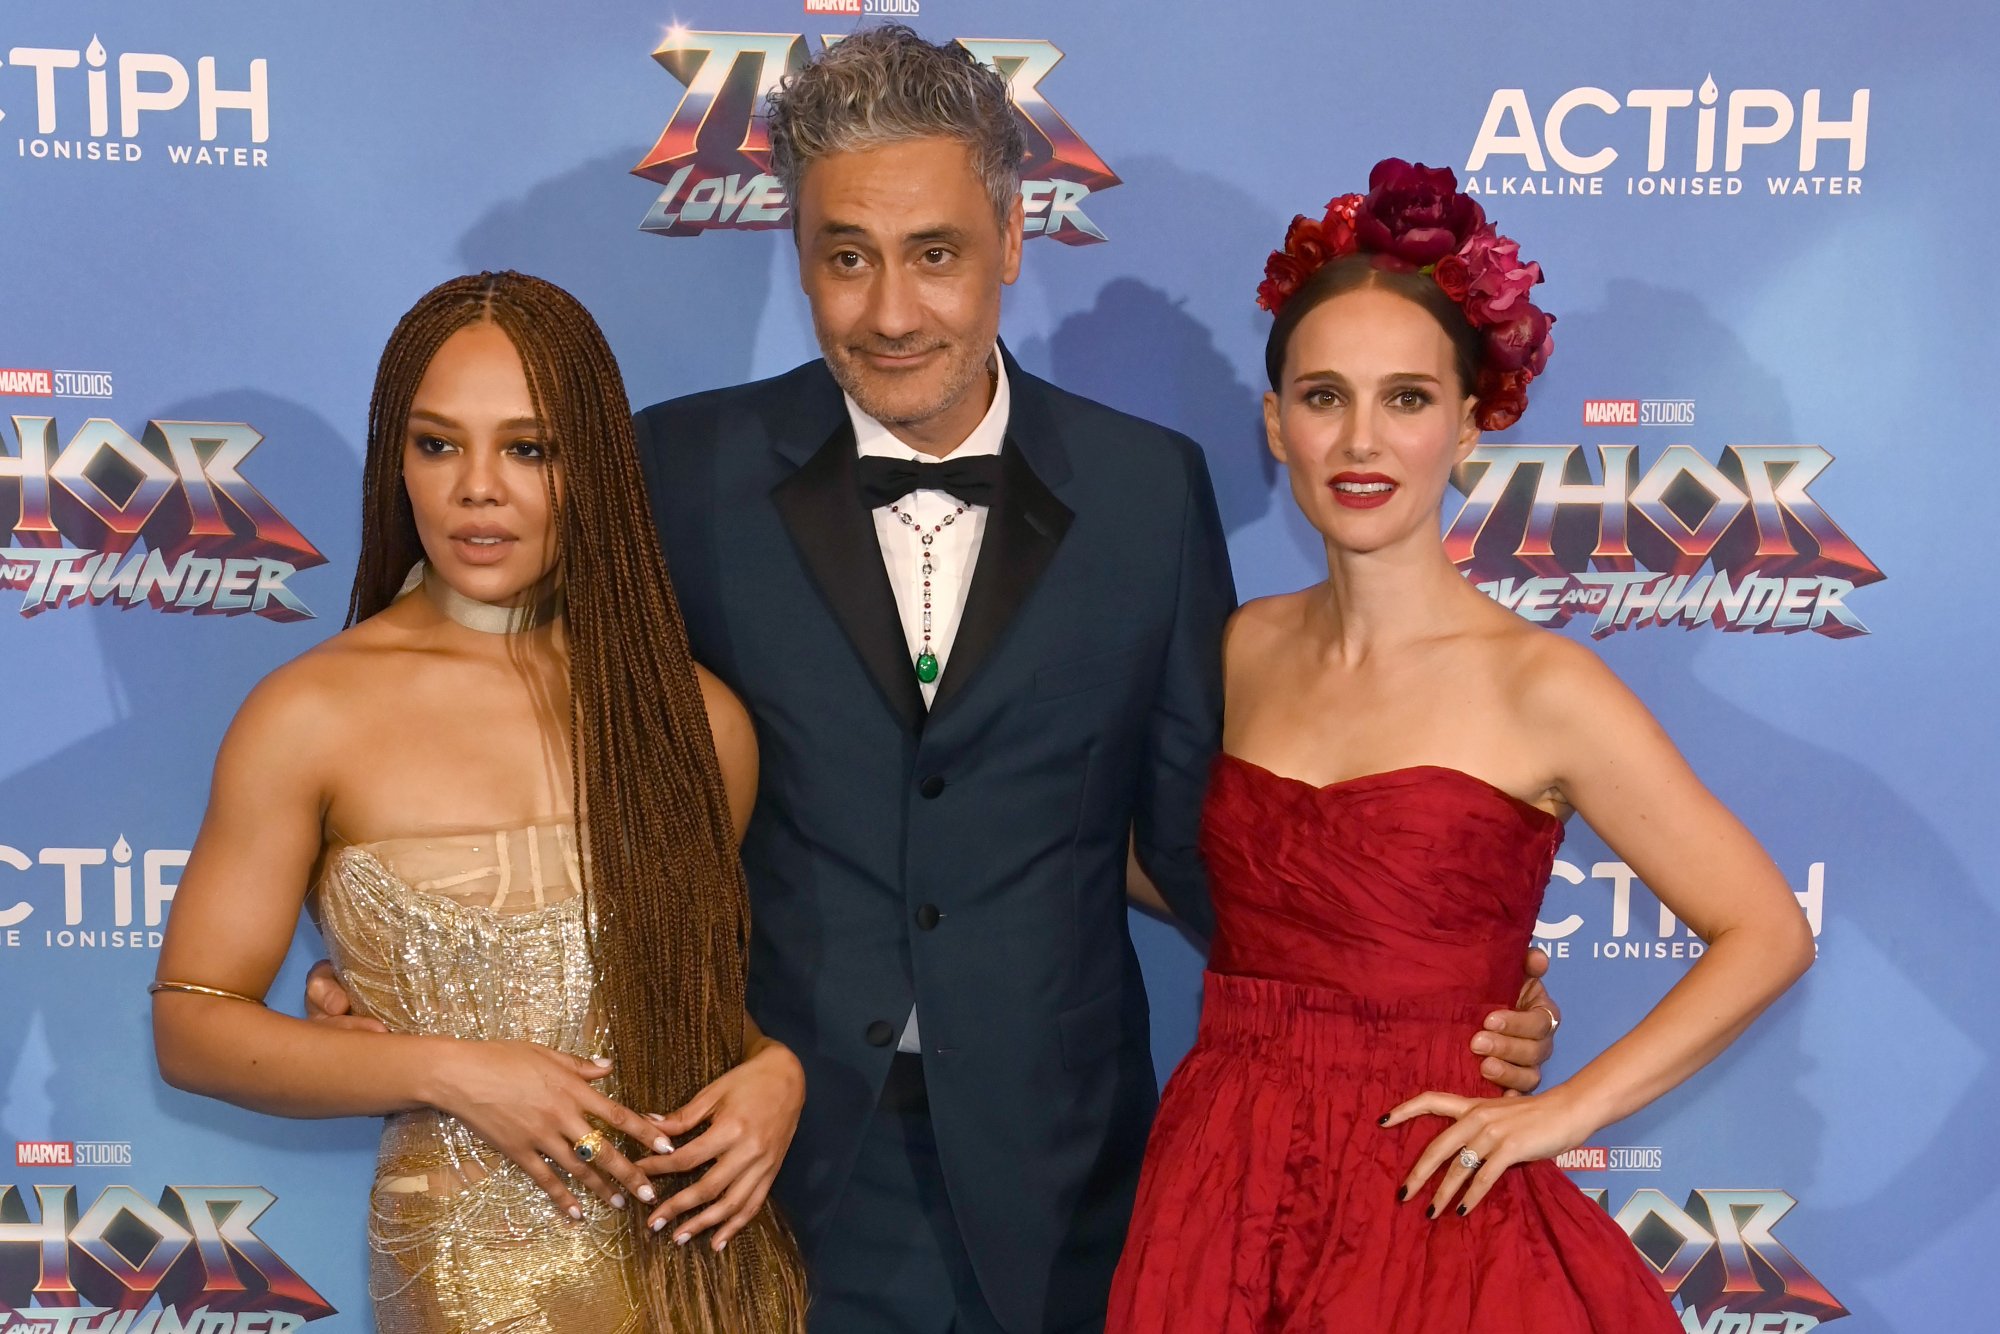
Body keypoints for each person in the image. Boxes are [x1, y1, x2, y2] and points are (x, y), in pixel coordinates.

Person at [311, 30, 1562, 1333]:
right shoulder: (679, 470)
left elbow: (1195, 836)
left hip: (1065, 1176)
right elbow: (504, 703)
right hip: (754, 1163)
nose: (892, 312)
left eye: (935, 254)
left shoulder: (1145, 490)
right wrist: (396, 953)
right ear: (796, 249)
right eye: (846, 256)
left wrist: (1426, 991)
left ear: (1011, 238)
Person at [1105, 161, 1818, 1331]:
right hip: (1220, 1177)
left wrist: (1562, 1108)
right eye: (1323, 395)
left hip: (1430, 1190)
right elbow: (1178, 865)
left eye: (1406, 397)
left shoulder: (1543, 686)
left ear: (1469, 423)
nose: (1360, 439)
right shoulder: (1234, 647)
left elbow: (1765, 930)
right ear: (1275, 423)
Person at [151, 272, 810, 1333]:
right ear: (397, 461)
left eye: (529, 447)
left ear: (592, 465)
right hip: (469, 1286)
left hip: (702, 1275)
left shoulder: (695, 720)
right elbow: (192, 1026)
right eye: (438, 444)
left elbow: (675, 999)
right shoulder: (308, 714)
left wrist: (772, 1070)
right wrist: (449, 1070)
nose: (478, 489)